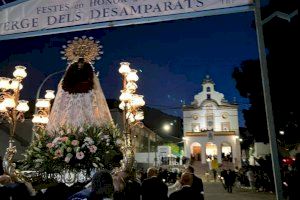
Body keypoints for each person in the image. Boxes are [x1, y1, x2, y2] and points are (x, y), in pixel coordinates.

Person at [47, 56, 112, 132]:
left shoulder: (86, 88)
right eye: (78, 66)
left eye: (81, 66)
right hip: (76, 119)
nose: (79, 67)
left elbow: (60, 106)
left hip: (77, 119)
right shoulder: (71, 88)